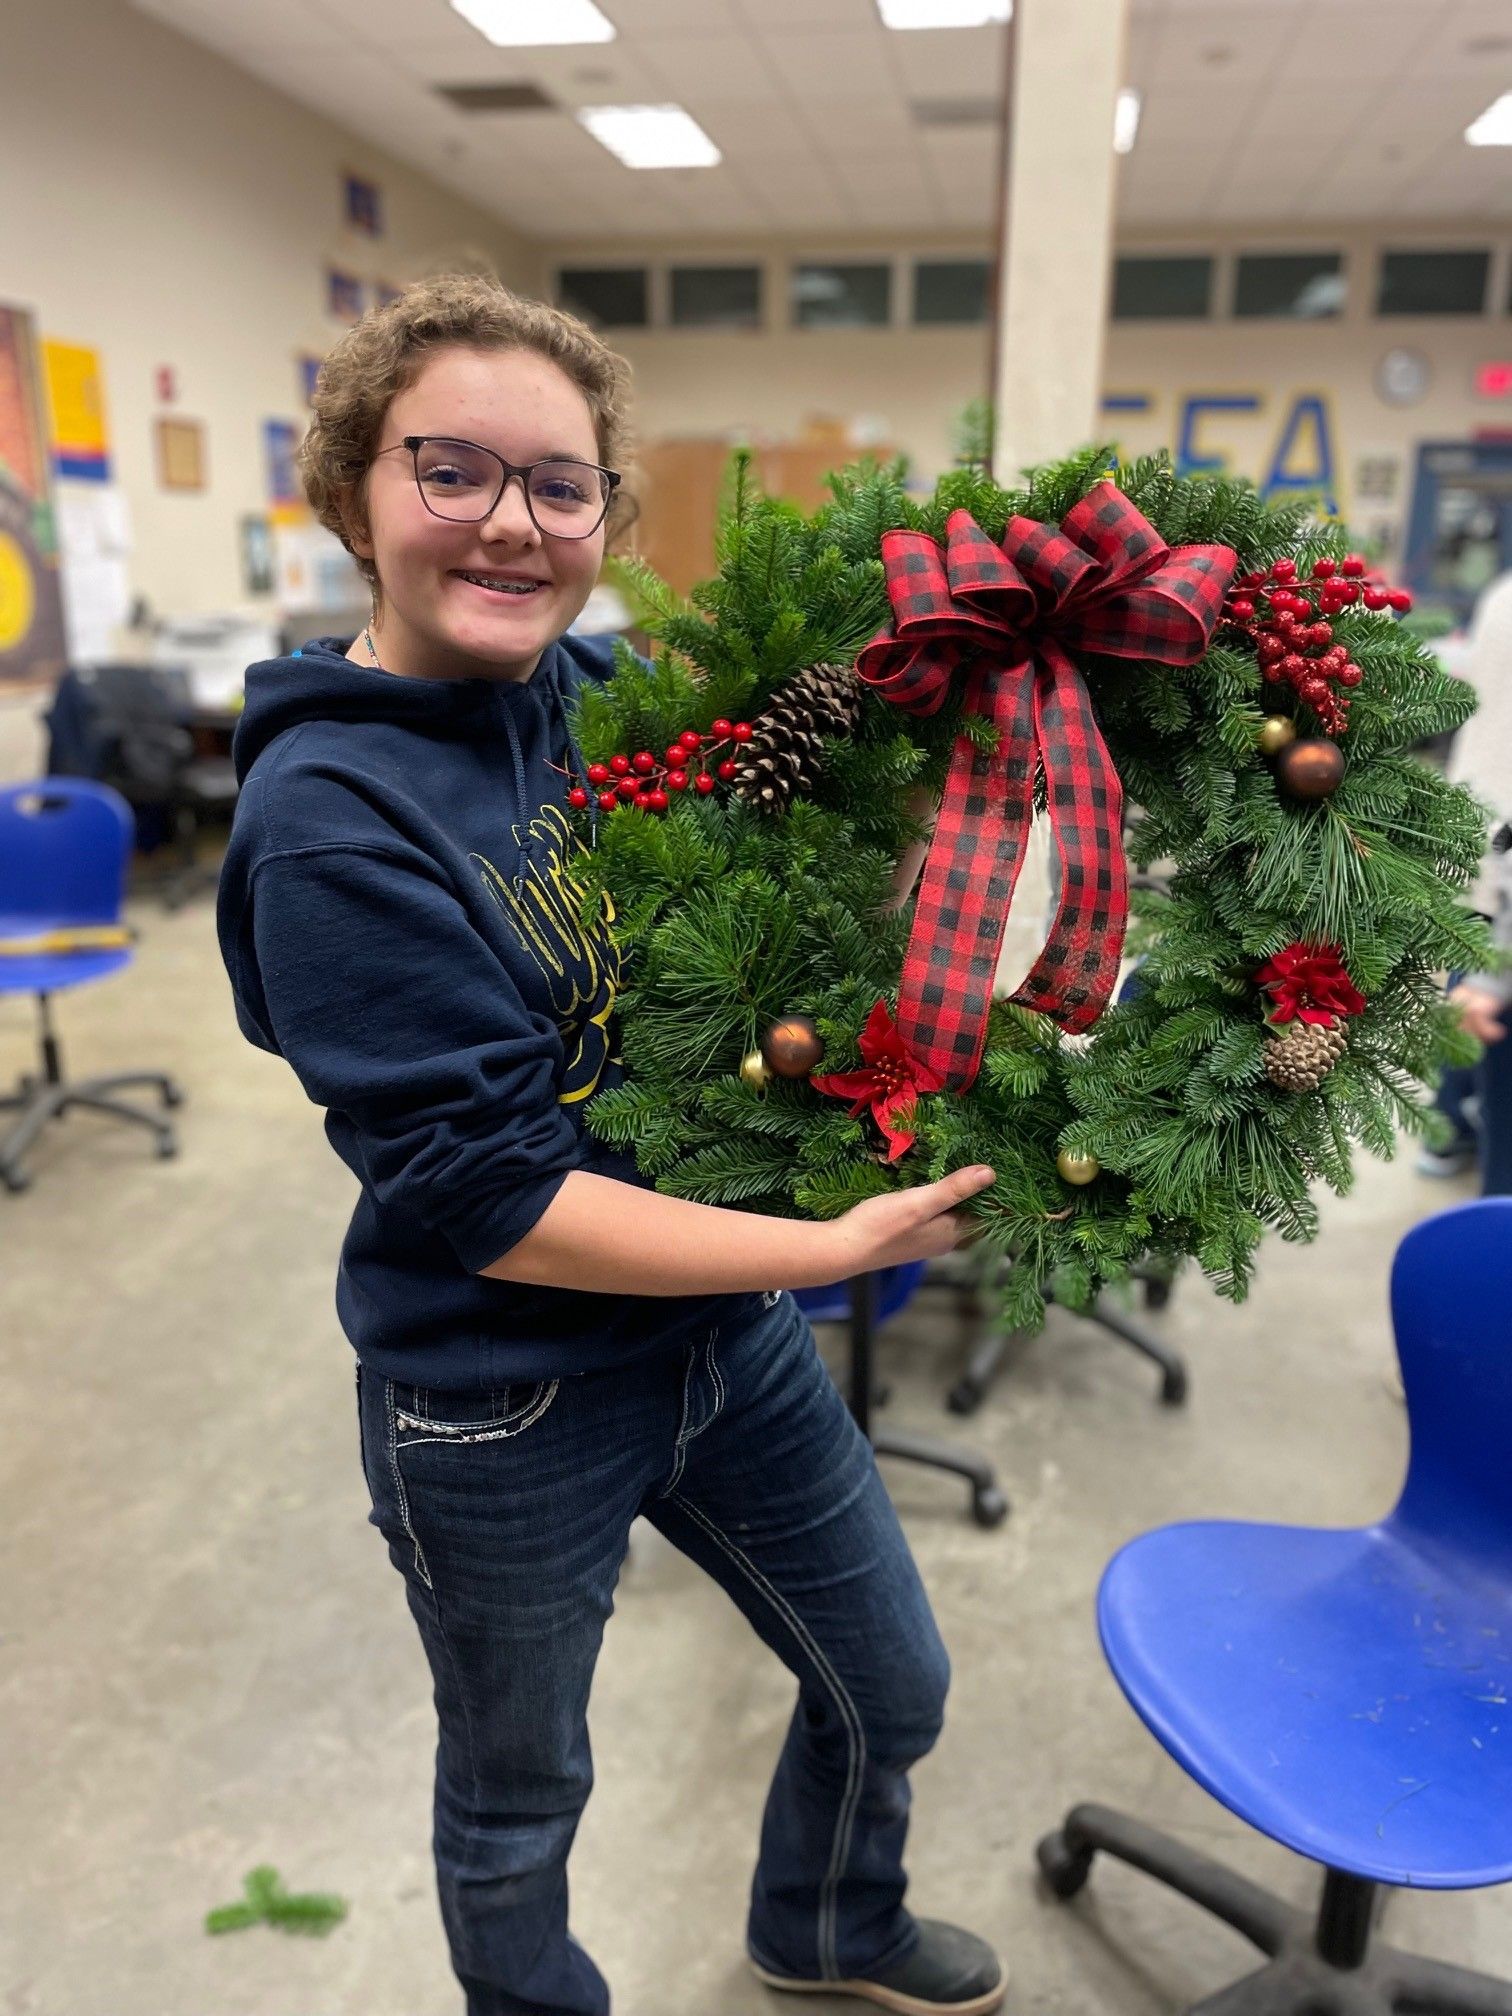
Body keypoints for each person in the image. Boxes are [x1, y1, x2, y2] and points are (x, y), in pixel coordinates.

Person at [216, 274, 1005, 2016]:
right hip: (500, 1397)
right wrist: (826, 1253)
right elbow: (493, 1200)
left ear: (599, 516)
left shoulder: (601, 696)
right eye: (452, 470)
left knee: (891, 1679)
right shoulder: (325, 819)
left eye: (559, 485)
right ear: (353, 489)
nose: (511, 521)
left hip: (709, 1333)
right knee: (519, 1803)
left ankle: (826, 1922)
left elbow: (751, 914)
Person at [1417, 569, 1512, 1193]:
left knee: (1471, 989)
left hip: (1478, 829)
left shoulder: (1504, 590)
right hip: (1501, 856)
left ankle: (1450, 1126)